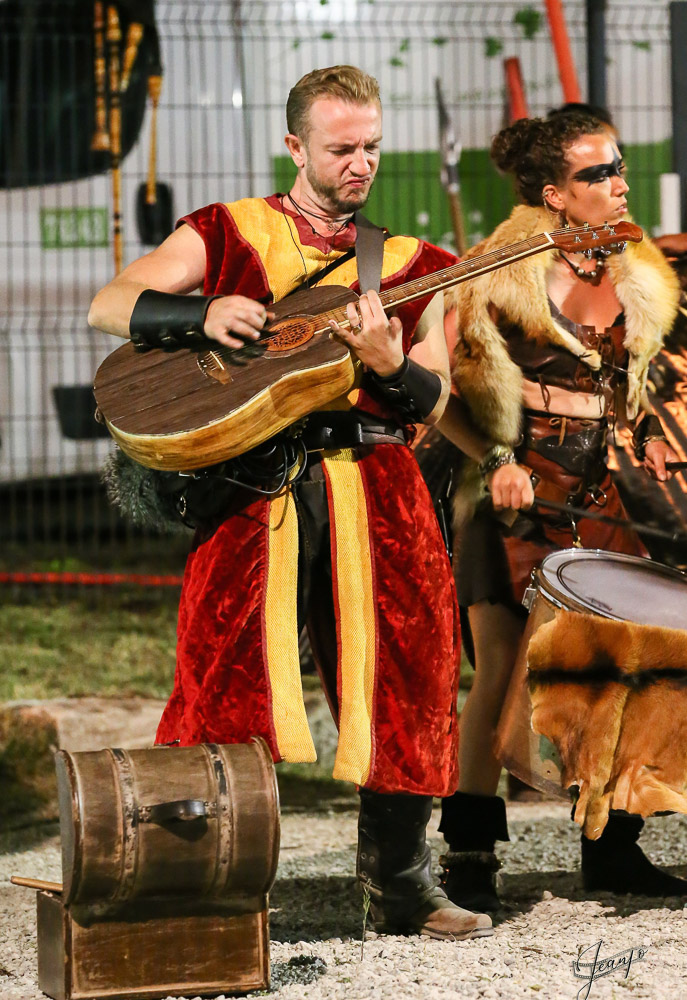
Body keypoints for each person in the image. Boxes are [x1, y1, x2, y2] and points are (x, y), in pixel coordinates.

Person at [89, 65, 492, 941]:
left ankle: (401, 884)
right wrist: (196, 314)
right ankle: (219, 889)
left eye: (372, 147)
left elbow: (437, 400)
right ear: (294, 145)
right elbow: (109, 303)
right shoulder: (224, 231)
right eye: (341, 148)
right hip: (254, 487)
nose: (361, 164)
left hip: (380, 491)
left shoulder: (421, 266)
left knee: (409, 671)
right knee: (225, 674)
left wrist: (392, 365)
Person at [435, 111, 685, 911]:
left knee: (622, 668)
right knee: (500, 669)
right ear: (553, 192)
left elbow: (638, 381)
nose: (617, 182)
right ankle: (468, 857)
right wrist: (494, 461)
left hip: (602, 489)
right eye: (595, 174)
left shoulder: (635, 264)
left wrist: (645, 432)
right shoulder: (501, 269)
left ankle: (608, 849)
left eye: (617, 166)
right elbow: (433, 384)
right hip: (516, 485)